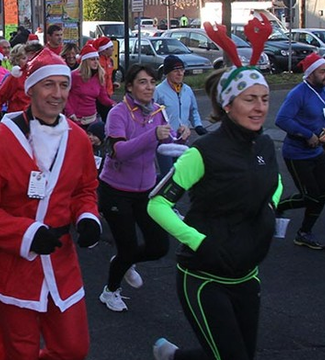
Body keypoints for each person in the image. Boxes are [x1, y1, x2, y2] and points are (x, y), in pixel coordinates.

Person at [148, 20, 282, 360]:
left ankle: (174, 357)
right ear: (227, 105)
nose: (260, 107)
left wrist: (269, 210)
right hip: (204, 275)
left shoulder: (264, 144)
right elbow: (158, 204)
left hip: (248, 274)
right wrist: (198, 241)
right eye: (250, 99)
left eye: (264, 98)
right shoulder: (203, 152)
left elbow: (275, 183)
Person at [0, 48, 101, 360]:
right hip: (12, 268)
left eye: (63, 85)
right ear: (31, 89)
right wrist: (25, 233)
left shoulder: (77, 138)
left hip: (61, 263)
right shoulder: (0, 142)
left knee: (73, 348)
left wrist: (88, 217)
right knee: (17, 352)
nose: (57, 94)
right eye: (48, 85)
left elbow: (85, 190)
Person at [97, 64, 173, 312]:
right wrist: (153, 134)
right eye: (142, 82)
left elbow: (166, 143)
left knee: (159, 246)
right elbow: (119, 152)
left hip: (147, 190)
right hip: (115, 189)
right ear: (130, 86)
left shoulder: (158, 112)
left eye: (152, 82)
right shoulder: (118, 113)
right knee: (128, 246)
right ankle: (110, 291)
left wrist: (180, 136)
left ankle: (123, 260)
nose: (149, 87)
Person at [275, 52, 325, 250]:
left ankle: (304, 233)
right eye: (323, 71)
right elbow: (282, 119)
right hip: (296, 153)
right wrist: (307, 134)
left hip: (317, 152)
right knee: (310, 195)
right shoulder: (298, 93)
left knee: (323, 193)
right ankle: (277, 207)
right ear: (310, 74)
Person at [154, 55, 205, 176]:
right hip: (165, 142)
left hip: (183, 139)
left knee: (180, 176)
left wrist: (198, 126)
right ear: (167, 73)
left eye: (182, 70)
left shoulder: (187, 90)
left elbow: (193, 110)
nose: (180, 73)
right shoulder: (158, 91)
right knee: (167, 176)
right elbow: (150, 115)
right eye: (176, 70)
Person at [0, 42, 42, 139]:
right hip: (18, 121)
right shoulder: (16, 77)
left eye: (31, 58)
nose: (28, 61)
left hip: (38, 123)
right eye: (24, 58)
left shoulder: (41, 76)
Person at [64, 43, 114, 129]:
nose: (96, 62)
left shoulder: (99, 76)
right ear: (85, 61)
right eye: (92, 59)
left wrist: (114, 105)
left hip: (92, 119)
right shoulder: (74, 76)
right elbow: (64, 96)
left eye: (97, 59)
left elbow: (103, 98)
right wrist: (70, 113)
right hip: (75, 119)